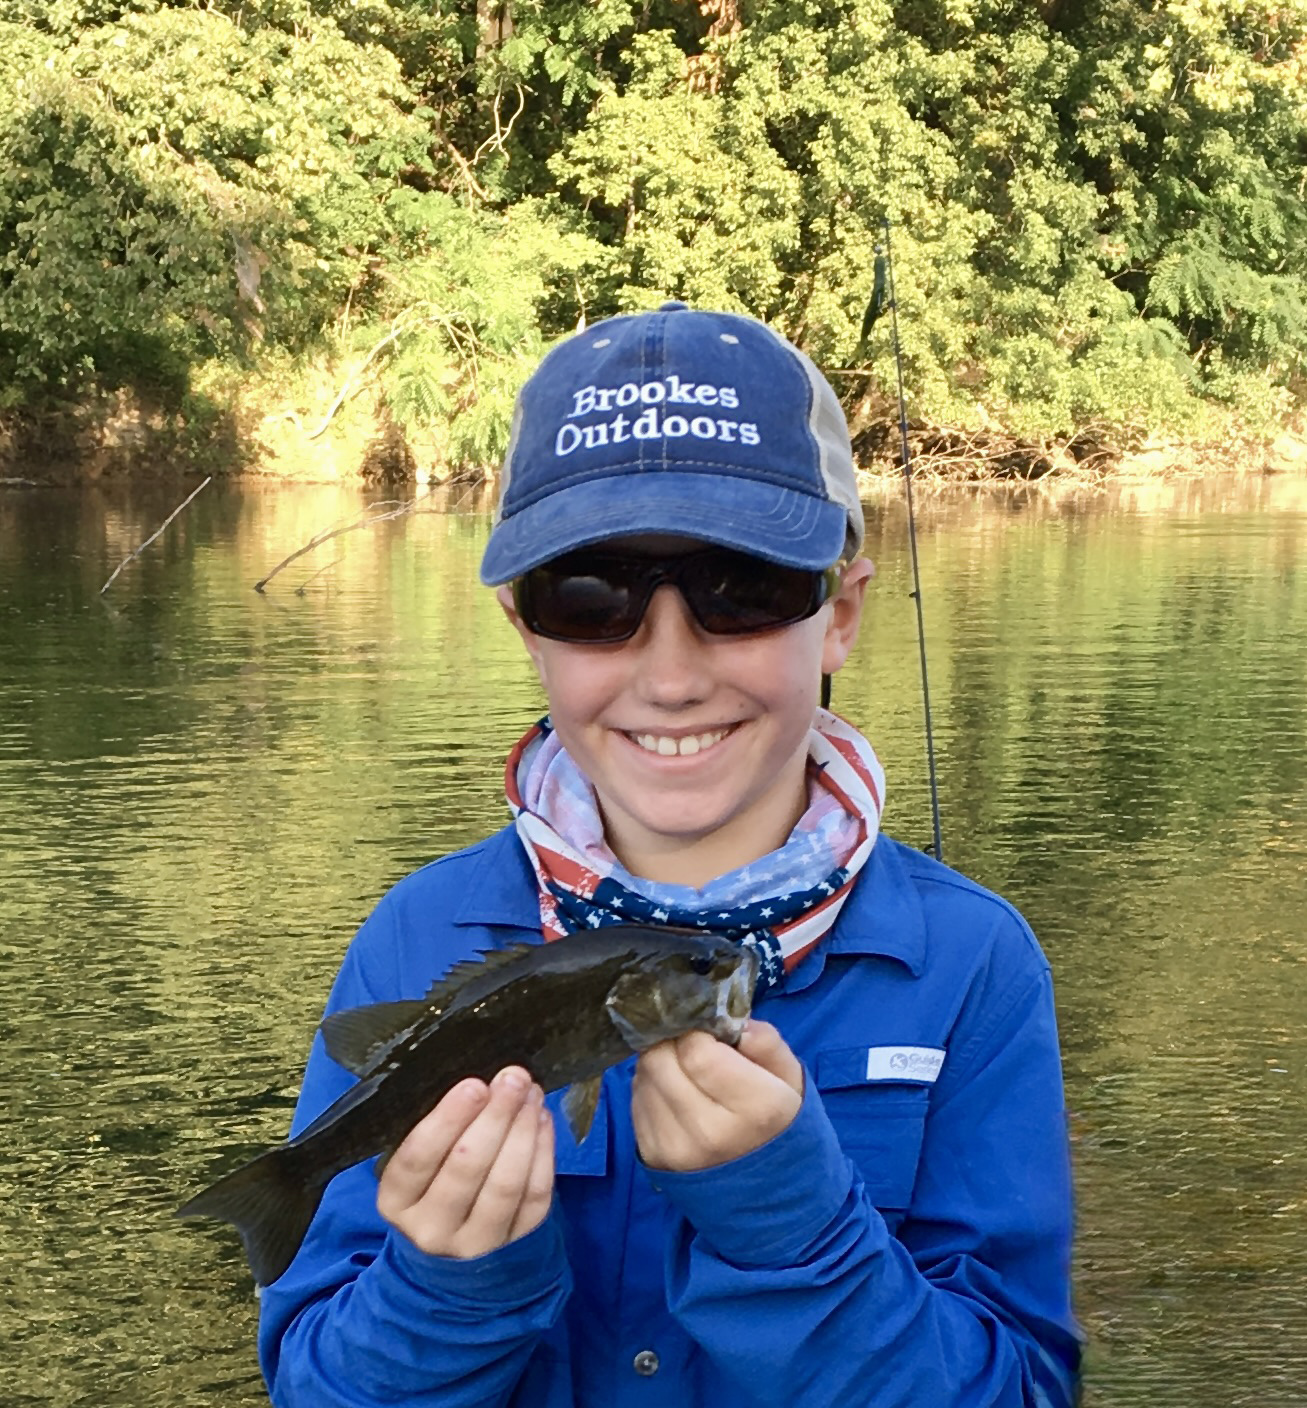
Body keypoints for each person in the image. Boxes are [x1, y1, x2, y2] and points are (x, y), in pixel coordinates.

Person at [257, 302, 1082, 1407]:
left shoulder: (972, 964)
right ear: (523, 626)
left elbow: (1022, 1390)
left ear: (839, 614)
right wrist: (446, 1293)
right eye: (589, 599)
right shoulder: (414, 935)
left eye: (743, 591)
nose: (673, 674)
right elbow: (315, 1386)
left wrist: (796, 1237)